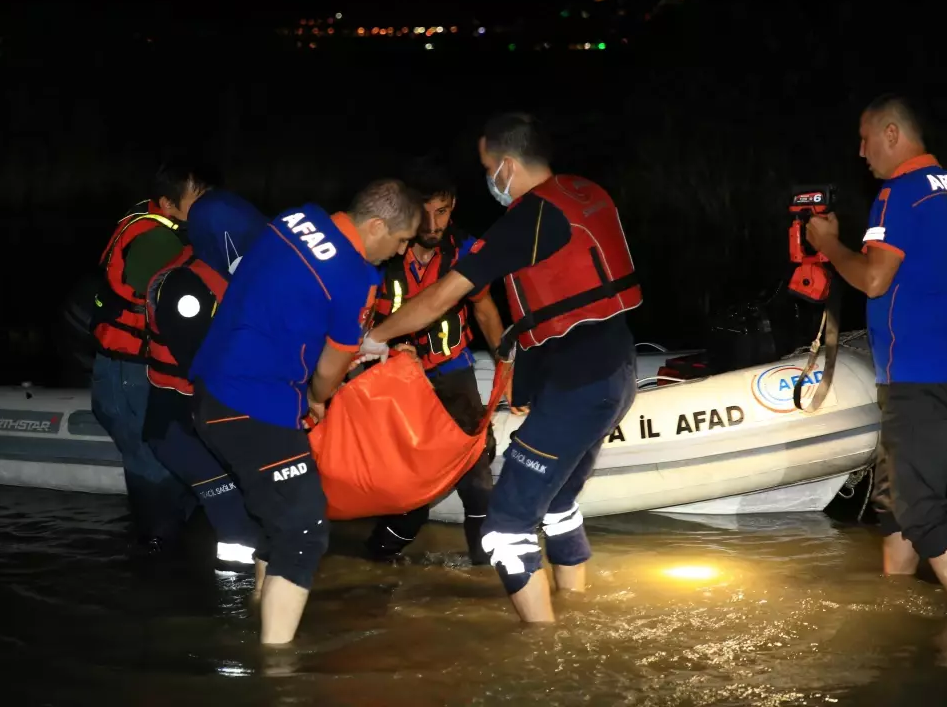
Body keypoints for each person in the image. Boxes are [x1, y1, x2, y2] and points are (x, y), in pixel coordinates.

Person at [360, 113, 642, 623]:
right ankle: (577, 613)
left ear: (508, 165)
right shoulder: (585, 191)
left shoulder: (528, 220)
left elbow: (442, 297)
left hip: (581, 384)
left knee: (505, 526)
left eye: (489, 167)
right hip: (617, 370)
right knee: (555, 504)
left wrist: (375, 338)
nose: (488, 178)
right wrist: (525, 379)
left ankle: (543, 649)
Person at [805, 93, 947, 620]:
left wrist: (828, 245)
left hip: (918, 375)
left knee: (922, 511)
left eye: (865, 139)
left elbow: (872, 278)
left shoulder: (897, 196)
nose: (861, 152)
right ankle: (896, 612)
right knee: (894, 507)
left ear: (893, 134)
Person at [189, 179, 421, 645]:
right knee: (307, 528)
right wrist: (319, 394)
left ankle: (258, 611)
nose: (400, 253)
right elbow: (327, 373)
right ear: (376, 227)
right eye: (400, 241)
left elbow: (284, 302)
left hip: (211, 389)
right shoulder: (356, 280)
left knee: (278, 519)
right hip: (251, 405)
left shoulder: (294, 220)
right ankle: (277, 669)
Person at [363, 161, 513, 566]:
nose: (433, 223)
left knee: (478, 478)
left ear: (453, 209)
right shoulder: (381, 256)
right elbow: (353, 329)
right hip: (393, 380)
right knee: (410, 495)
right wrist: (394, 354)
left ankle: (488, 574)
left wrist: (508, 366)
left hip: (453, 370)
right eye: (425, 212)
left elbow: (484, 310)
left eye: (442, 212)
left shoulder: (465, 250)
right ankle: (373, 563)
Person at [141, 185, 269, 572]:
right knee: (231, 504)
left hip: (209, 421)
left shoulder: (232, 279)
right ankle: (238, 596)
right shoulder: (184, 289)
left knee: (187, 514)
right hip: (177, 424)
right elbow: (204, 365)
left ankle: (159, 559)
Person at [89, 160, 213, 552]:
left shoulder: (153, 223)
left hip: (132, 366)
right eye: (200, 198)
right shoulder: (157, 241)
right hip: (131, 369)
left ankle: (167, 539)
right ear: (167, 202)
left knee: (162, 453)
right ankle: (156, 546)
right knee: (149, 460)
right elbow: (167, 308)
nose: (207, 205)